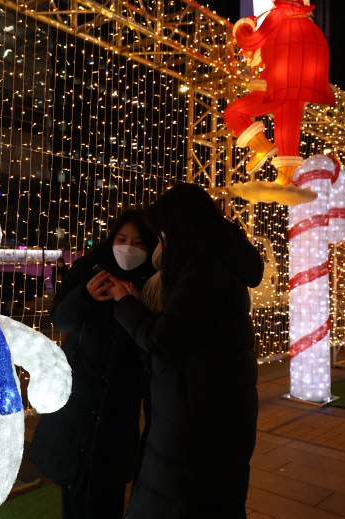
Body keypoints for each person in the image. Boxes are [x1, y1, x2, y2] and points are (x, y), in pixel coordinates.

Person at [109, 183, 264, 519]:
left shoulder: (205, 270)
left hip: (199, 425)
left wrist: (125, 305)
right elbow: (184, 328)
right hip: (211, 417)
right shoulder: (217, 262)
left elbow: (165, 341)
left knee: (186, 502)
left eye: (162, 232)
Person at [29, 209, 157, 519]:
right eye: (122, 239)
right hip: (78, 402)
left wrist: (134, 304)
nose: (128, 248)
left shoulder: (152, 285)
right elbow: (61, 318)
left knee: (107, 494)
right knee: (74, 490)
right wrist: (85, 296)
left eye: (138, 243)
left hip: (119, 409)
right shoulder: (90, 270)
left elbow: (152, 347)